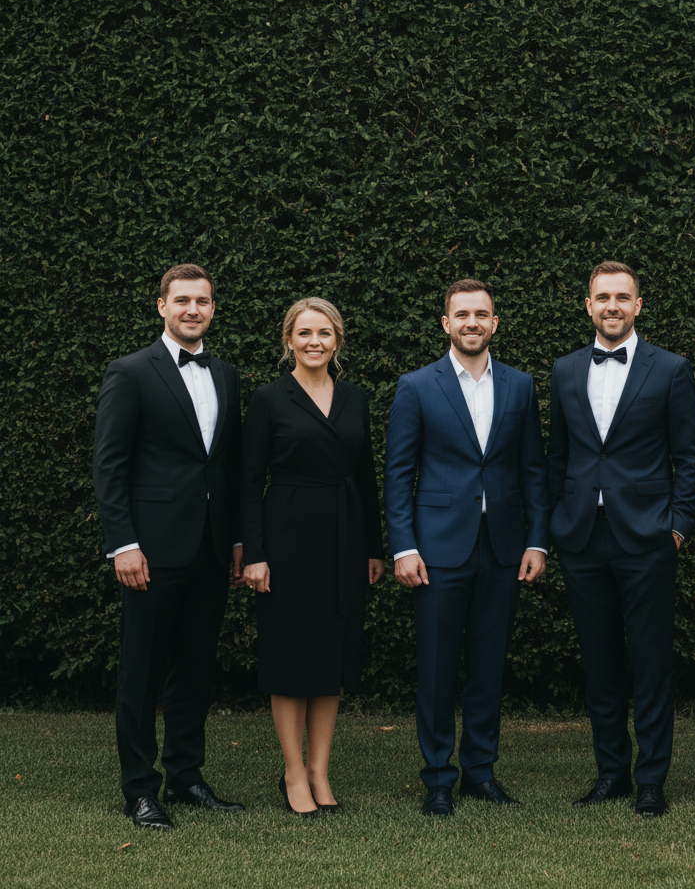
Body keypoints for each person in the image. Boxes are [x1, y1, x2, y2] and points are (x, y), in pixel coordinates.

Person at [383, 279, 549, 817]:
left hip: (501, 548)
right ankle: (438, 777)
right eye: (462, 314)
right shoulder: (416, 386)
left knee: (487, 665)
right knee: (436, 667)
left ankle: (480, 773)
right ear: (446, 323)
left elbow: (532, 471)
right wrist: (403, 546)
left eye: (482, 314)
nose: (472, 322)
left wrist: (536, 540)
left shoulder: (521, 386)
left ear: (494, 323)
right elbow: (398, 474)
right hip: (435, 551)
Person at [547, 261, 695, 818]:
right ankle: (610, 774)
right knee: (601, 663)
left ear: (638, 305)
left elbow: (689, 457)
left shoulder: (671, 369)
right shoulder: (565, 370)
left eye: (622, 297)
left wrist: (677, 527)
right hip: (583, 540)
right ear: (587, 305)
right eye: (602, 297)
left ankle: (651, 781)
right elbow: (559, 457)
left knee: (650, 663)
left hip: (648, 538)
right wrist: (555, 528)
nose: (611, 306)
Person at [93, 263, 245, 830]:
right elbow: (110, 466)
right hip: (150, 551)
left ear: (211, 308)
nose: (192, 310)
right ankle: (140, 789)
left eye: (202, 301)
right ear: (161, 306)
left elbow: (224, 468)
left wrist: (233, 540)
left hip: (208, 550)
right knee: (142, 672)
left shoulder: (226, 374)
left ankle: (185, 776)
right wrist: (123, 544)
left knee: (196, 670)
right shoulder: (130, 372)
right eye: (182, 300)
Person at [240, 298, 384, 816]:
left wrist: (373, 548)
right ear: (289, 340)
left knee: (332, 655)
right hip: (288, 535)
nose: (314, 341)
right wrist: (253, 553)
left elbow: (365, 477)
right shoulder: (269, 399)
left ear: (337, 341)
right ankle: (293, 773)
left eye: (324, 333)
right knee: (290, 654)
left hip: (344, 537)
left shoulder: (355, 398)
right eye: (304, 333)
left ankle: (320, 771)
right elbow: (249, 480)